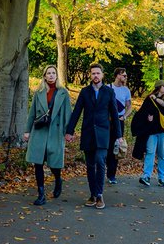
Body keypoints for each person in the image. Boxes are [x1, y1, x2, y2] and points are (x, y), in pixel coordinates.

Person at [65, 63, 121, 209]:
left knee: (100, 161)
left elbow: (115, 114)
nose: (95, 76)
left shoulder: (109, 92)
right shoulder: (85, 92)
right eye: (93, 73)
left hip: (103, 133)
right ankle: (93, 194)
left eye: (98, 73)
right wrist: (69, 131)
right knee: (90, 165)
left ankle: (100, 194)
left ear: (102, 75)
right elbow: (76, 112)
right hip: (88, 133)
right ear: (90, 75)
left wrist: (119, 135)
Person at [23, 64, 72, 206]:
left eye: (53, 73)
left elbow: (68, 113)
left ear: (57, 76)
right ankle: (41, 194)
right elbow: (32, 113)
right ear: (44, 76)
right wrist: (27, 130)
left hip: (56, 132)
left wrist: (68, 132)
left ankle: (58, 179)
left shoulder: (63, 93)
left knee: (54, 164)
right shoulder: (39, 92)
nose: (51, 75)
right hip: (39, 131)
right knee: (37, 163)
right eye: (48, 73)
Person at [131, 82, 164, 188]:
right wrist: (147, 118)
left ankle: (161, 178)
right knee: (150, 152)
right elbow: (143, 111)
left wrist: (156, 99)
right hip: (152, 130)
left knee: (162, 155)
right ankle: (146, 176)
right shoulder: (149, 98)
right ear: (159, 87)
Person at [106, 67, 133, 185]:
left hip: (119, 121)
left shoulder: (126, 90)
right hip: (107, 121)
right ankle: (104, 168)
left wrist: (125, 116)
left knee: (117, 147)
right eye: (124, 75)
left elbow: (129, 106)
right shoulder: (108, 88)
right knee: (107, 145)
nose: (125, 77)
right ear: (117, 75)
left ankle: (112, 174)